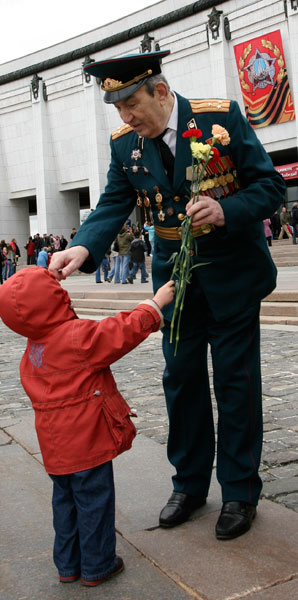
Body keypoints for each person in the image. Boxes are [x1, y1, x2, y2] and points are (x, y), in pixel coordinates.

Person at [49, 50, 286, 540]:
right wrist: (81, 248)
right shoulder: (126, 145)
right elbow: (115, 201)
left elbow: (269, 186)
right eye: (117, 110)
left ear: (160, 92)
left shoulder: (220, 119)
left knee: (235, 384)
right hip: (174, 285)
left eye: (131, 104)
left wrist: (227, 210)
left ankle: (240, 491)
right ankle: (189, 484)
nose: (125, 117)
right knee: (180, 379)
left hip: (231, 275)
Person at [0, 266, 175, 586]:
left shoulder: (32, 350)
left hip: (55, 450)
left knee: (64, 505)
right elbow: (120, 331)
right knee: (94, 502)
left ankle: (67, 565)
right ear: (54, 301)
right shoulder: (75, 337)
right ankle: (98, 564)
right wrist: (155, 304)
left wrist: (45, 278)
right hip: (87, 443)